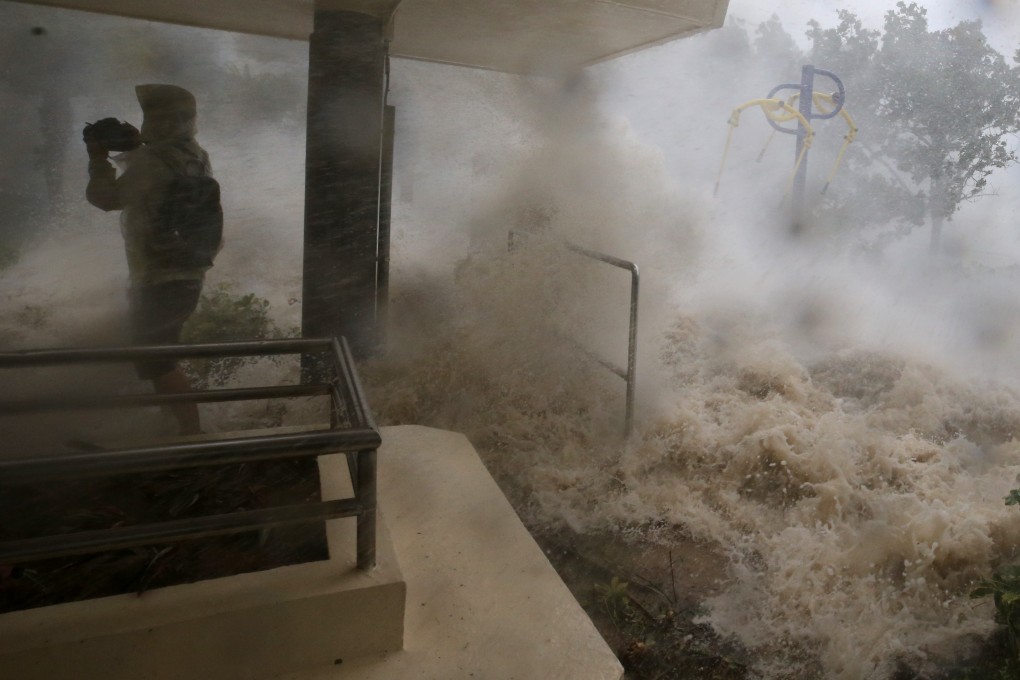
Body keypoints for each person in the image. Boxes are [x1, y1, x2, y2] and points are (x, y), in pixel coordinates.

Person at [85, 84, 217, 436]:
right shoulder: (196, 155)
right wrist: (138, 145)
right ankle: (175, 428)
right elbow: (164, 177)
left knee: (157, 359)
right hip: (188, 272)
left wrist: (98, 158)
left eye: (150, 117)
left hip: (158, 275)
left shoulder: (151, 161)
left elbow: (105, 198)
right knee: (155, 356)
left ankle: (192, 436)